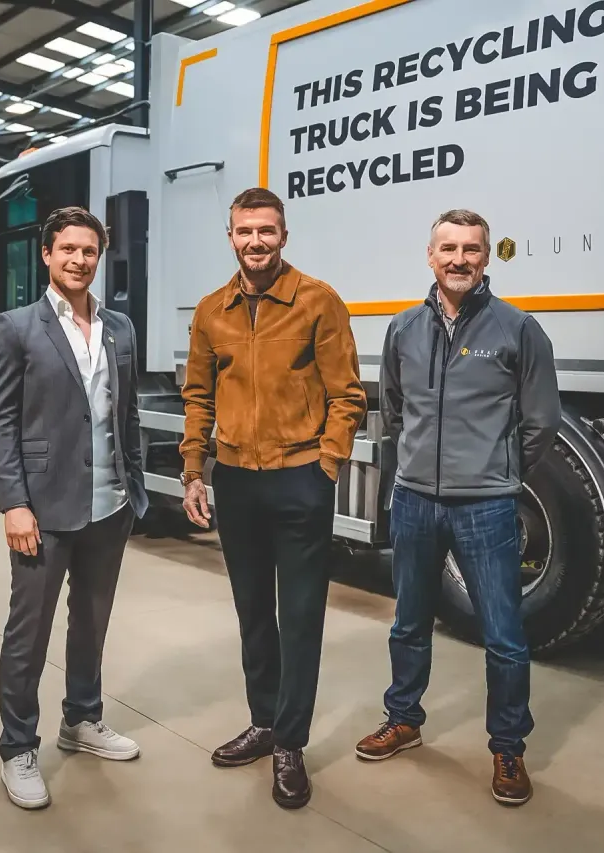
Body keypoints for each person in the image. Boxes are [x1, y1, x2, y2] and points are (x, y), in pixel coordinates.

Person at [355, 209, 560, 806]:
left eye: (471, 249)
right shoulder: (403, 328)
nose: (459, 259)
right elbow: (394, 408)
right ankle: (404, 719)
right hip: (415, 500)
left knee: (504, 635)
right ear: (430, 256)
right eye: (448, 248)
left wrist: (497, 473)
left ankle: (508, 748)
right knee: (409, 622)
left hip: (486, 506)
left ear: (486, 257)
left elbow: (540, 422)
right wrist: (418, 465)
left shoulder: (518, 329)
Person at [179, 187, 367, 809]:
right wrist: (194, 470)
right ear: (230, 237)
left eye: (266, 230)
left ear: (284, 235)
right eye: (244, 231)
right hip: (236, 480)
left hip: (299, 478)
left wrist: (326, 465)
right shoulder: (212, 311)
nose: (255, 241)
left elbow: (347, 395)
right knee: (254, 612)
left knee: (302, 616)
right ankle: (264, 722)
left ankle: (290, 742)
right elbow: (198, 397)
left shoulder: (318, 301)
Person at [0, 205, 149, 810]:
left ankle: (81, 718)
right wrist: (14, 502)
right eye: (69, 249)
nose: (79, 260)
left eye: (89, 251)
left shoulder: (119, 328)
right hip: (43, 508)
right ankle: (17, 747)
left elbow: (126, 412)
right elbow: (2, 421)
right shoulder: (17, 327)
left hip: (109, 504)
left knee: (91, 622)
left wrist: (135, 486)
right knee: (28, 632)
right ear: (48, 254)